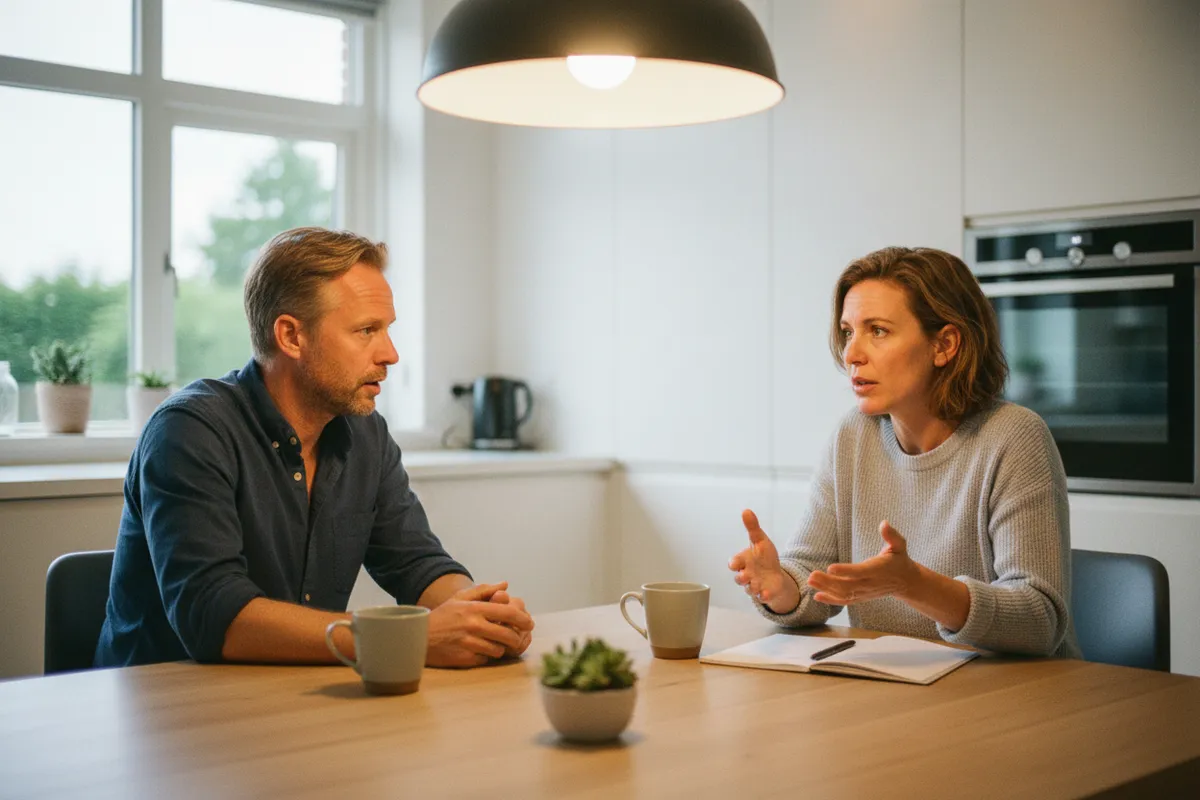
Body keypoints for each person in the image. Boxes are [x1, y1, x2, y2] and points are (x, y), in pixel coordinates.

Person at [95, 227, 534, 668]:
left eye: (387, 330)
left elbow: (417, 563)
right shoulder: (189, 432)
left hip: (285, 700)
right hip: (162, 713)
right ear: (290, 337)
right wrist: (409, 638)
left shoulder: (366, 435)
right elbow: (213, 616)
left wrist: (478, 614)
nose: (391, 354)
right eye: (366, 330)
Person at [728, 246, 1079, 657]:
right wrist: (781, 587)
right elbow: (813, 577)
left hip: (1013, 701)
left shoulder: (1013, 437)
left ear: (944, 344)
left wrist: (913, 584)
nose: (851, 354)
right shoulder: (853, 436)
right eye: (847, 331)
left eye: (877, 330)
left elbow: (1040, 620)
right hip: (900, 693)